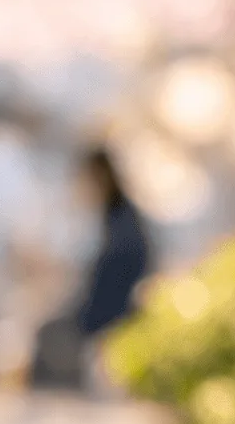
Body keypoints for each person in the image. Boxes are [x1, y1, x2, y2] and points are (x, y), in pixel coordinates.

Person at [31, 147, 152, 390]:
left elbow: (107, 282)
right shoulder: (112, 217)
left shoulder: (120, 222)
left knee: (45, 339)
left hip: (109, 318)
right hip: (102, 313)